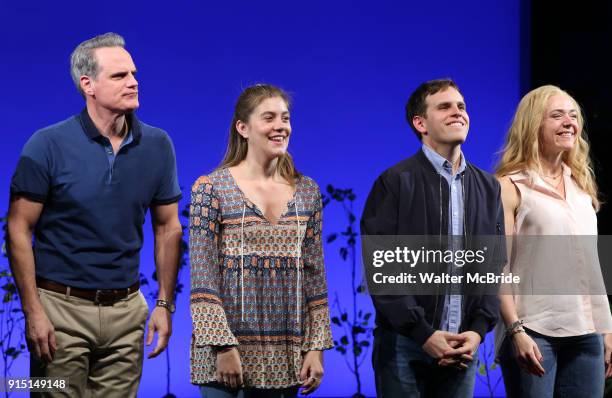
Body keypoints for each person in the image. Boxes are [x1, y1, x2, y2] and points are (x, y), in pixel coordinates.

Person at [7, 32, 182, 397]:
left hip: (126, 313)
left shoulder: (158, 145)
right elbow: (18, 228)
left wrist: (164, 304)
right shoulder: (47, 144)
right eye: (120, 76)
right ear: (88, 84)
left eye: (134, 73)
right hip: (59, 312)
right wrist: (33, 312)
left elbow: (168, 228)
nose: (133, 82)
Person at [360, 78, 504, 397]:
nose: (458, 112)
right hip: (404, 346)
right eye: (445, 107)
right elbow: (382, 269)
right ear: (420, 123)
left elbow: (493, 267)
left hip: (463, 347)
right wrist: (423, 333)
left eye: (462, 106)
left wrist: (478, 332)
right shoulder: (394, 182)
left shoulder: (489, 187)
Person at [189, 84, 333, 397]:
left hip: (287, 356)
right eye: (269, 118)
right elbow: (203, 279)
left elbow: (315, 278)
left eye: (285, 118)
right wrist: (223, 346)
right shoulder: (211, 188)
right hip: (226, 358)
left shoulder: (307, 191)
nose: (280, 126)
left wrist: (316, 348)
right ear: (243, 128)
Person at [495, 85, 612, 397]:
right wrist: (515, 330)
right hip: (533, 332)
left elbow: (593, 264)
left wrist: (606, 327)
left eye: (573, 116)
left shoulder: (581, 187)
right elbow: (497, 267)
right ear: (533, 124)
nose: (569, 122)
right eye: (557, 115)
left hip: (587, 334)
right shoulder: (509, 187)